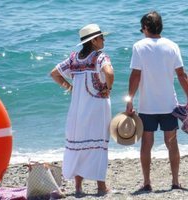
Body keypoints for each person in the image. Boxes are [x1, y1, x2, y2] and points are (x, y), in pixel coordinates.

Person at [125, 11, 188, 191]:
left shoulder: (139, 46)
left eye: (141, 28)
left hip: (147, 105)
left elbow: (135, 76)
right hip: (169, 104)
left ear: (145, 27)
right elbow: (182, 75)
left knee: (146, 144)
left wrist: (129, 101)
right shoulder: (172, 46)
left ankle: (146, 183)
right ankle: (175, 182)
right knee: (172, 143)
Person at [50, 24, 114, 196]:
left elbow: (54, 73)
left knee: (78, 144)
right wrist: (108, 88)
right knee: (99, 143)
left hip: (77, 110)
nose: (104, 40)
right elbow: (109, 73)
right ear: (93, 40)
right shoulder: (100, 57)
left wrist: (70, 88)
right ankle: (101, 187)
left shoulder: (73, 58)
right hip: (97, 107)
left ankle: (78, 188)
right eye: (101, 37)